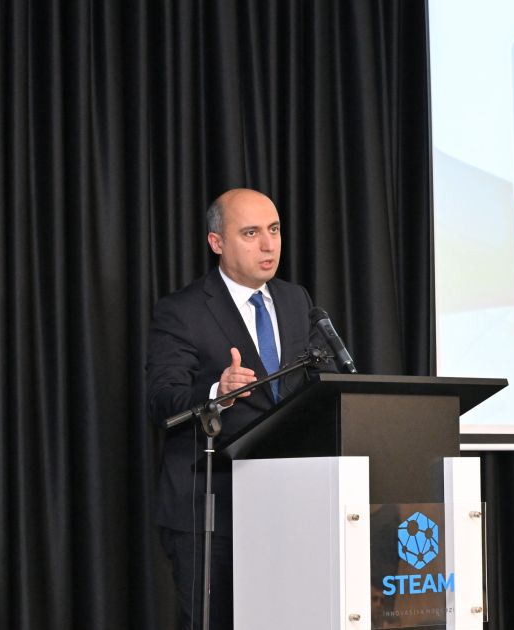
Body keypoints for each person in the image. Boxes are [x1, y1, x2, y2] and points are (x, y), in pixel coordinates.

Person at [146, 188, 332, 629]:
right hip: (209, 508)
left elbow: (312, 387)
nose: (268, 245)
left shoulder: (296, 300)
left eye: (274, 230)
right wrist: (217, 390)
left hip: (287, 504)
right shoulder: (182, 310)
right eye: (250, 233)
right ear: (216, 242)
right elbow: (162, 400)